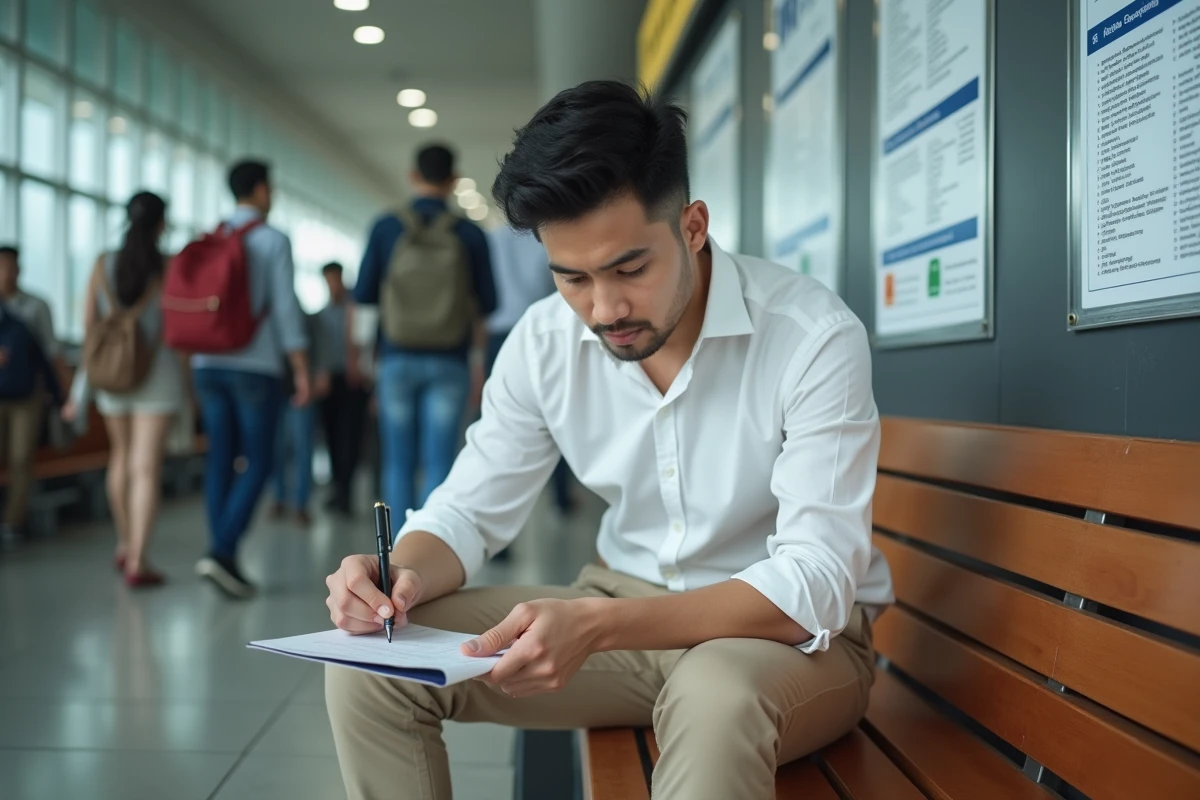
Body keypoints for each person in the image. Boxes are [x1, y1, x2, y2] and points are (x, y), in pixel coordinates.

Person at [322, 81, 894, 800]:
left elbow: (815, 582)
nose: (605, 308)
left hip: (787, 643)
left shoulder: (811, 337)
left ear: (692, 226)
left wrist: (601, 625)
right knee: (372, 661)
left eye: (630, 269)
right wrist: (391, 580)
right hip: (620, 617)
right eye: (573, 278)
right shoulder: (543, 342)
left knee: (715, 695)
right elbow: (467, 511)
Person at [348, 144, 496, 519]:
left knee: (398, 461)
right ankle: (429, 550)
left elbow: (364, 294)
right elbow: (490, 302)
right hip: (450, 359)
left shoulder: (386, 227)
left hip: (396, 357)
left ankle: (398, 551)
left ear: (413, 176)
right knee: (439, 461)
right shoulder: (469, 234)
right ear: (453, 180)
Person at [192, 160, 310, 599]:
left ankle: (222, 554)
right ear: (261, 189)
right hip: (255, 367)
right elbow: (284, 310)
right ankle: (222, 550)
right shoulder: (273, 239)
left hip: (206, 363)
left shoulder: (211, 235)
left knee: (220, 458)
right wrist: (300, 368)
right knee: (260, 460)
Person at [64, 192, 186, 586]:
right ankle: (139, 560)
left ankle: (123, 542)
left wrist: (81, 387)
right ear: (162, 224)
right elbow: (177, 330)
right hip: (158, 370)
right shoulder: (169, 267)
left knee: (119, 459)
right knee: (146, 466)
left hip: (112, 374)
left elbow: (88, 326)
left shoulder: (102, 264)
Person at [482, 224, 574, 517]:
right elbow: (555, 287)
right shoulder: (546, 238)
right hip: (543, 332)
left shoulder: (492, 238)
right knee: (555, 417)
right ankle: (560, 497)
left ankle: (492, 515)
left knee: (497, 421)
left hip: (497, 334)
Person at [0, 246, 63, 541]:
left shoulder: (36, 306)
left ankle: (13, 523)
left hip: (27, 394)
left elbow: (52, 352)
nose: (7, 273)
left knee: (21, 458)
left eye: (10, 266)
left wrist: (63, 392)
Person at [316, 262, 367, 515]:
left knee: (351, 439)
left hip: (354, 381)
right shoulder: (322, 315)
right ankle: (337, 490)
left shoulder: (355, 309)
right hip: (330, 382)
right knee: (333, 438)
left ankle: (346, 492)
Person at [271, 310, 330, 527]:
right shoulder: (269, 317)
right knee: (277, 450)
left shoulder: (305, 318)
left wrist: (320, 373)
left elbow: (320, 349)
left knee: (303, 448)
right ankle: (279, 498)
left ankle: (301, 504)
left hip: (301, 394)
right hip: (275, 392)